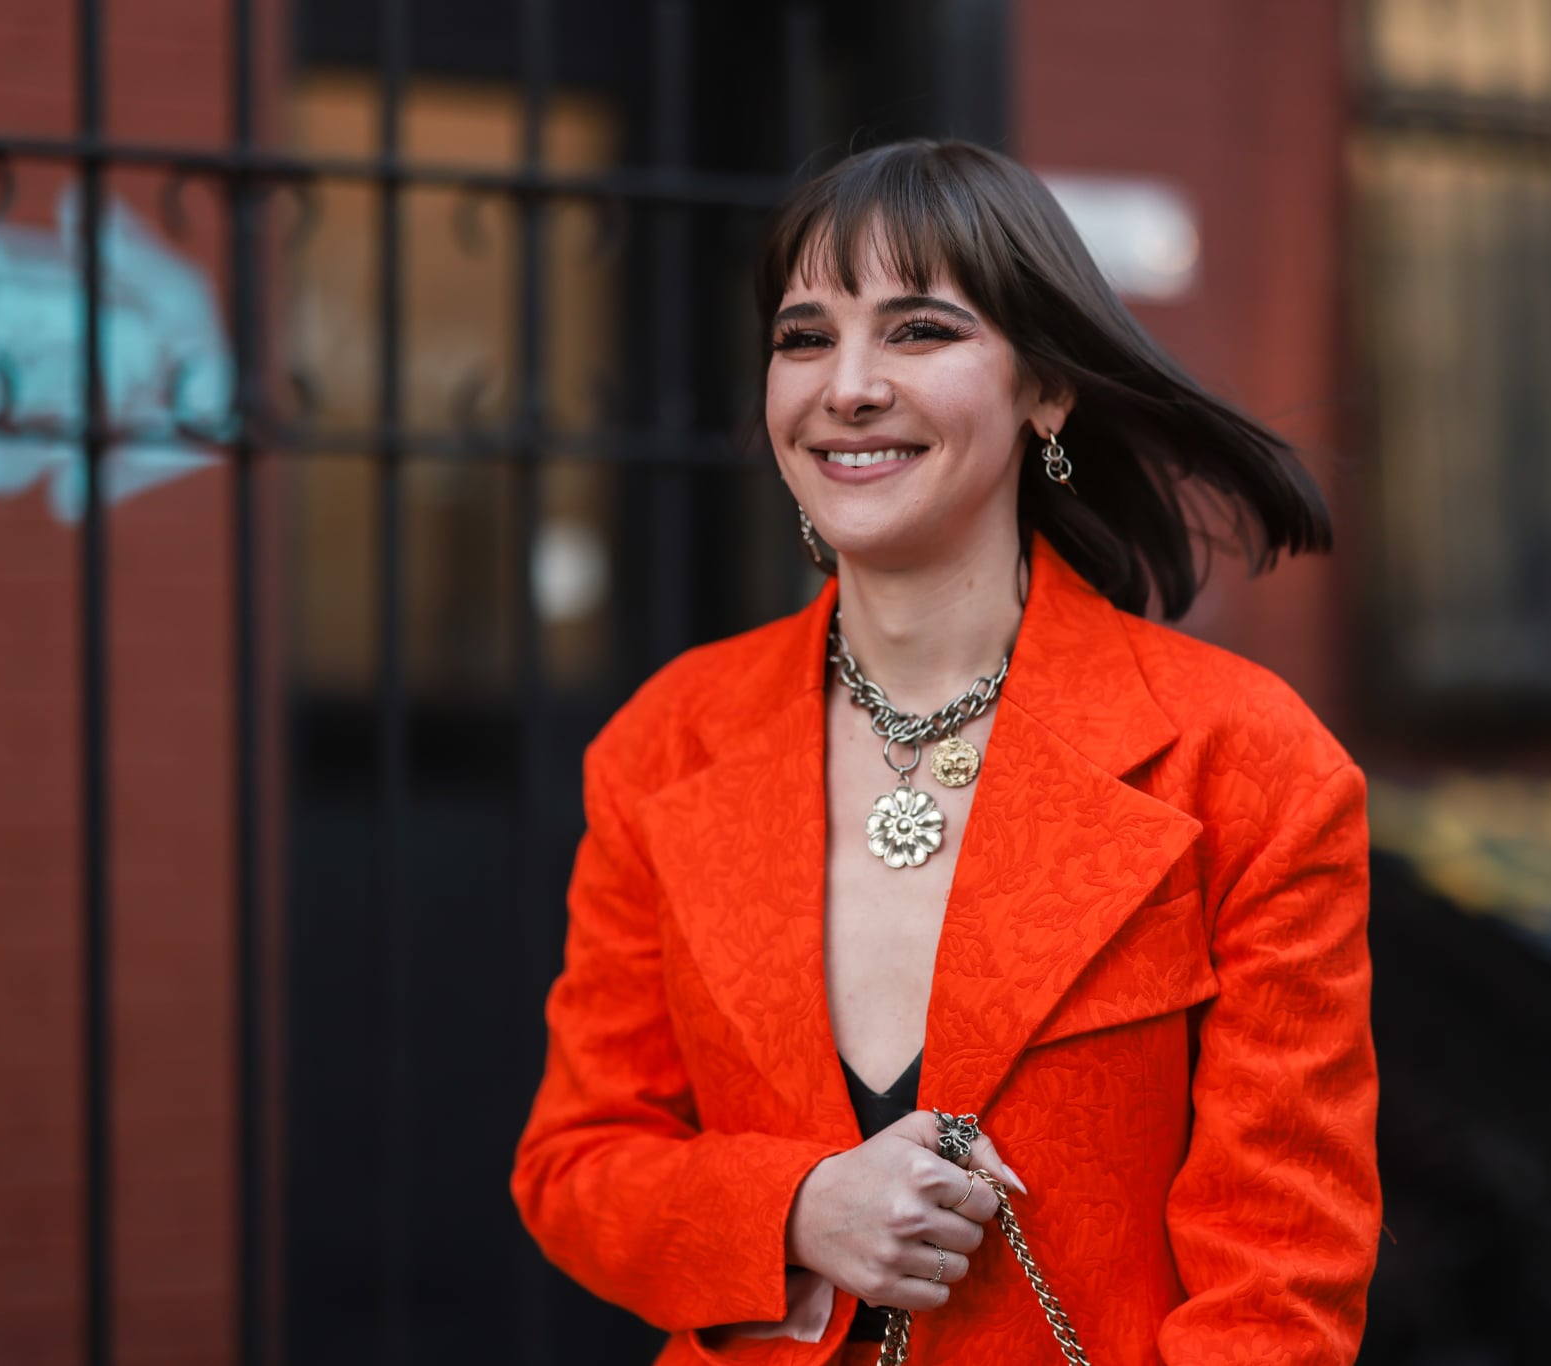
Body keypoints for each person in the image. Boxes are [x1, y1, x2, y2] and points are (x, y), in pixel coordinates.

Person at [511, 139, 1380, 1365]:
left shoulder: (1246, 762)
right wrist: (798, 1207)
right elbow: (575, 1164)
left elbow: (1278, 1283)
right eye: (803, 336)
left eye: (918, 331)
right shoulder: (665, 742)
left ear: (1046, 390)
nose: (846, 386)